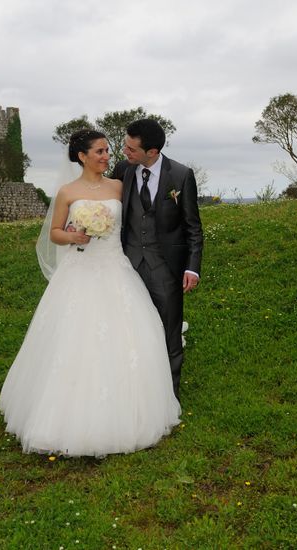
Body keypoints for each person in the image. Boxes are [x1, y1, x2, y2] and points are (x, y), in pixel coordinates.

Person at [0, 129, 181, 457]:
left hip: (116, 269)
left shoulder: (119, 186)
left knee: (128, 336)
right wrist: (72, 237)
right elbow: (54, 233)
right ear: (82, 156)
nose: (106, 156)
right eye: (99, 151)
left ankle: (131, 411)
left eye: (107, 151)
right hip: (80, 271)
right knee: (73, 340)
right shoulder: (67, 192)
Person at [112, 119, 203, 400]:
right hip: (127, 265)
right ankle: (133, 389)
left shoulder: (180, 175)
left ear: (151, 152)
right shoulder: (123, 170)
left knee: (170, 332)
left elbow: (193, 227)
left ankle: (169, 397)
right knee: (129, 328)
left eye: (131, 148)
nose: (125, 151)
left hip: (166, 267)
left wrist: (192, 267)